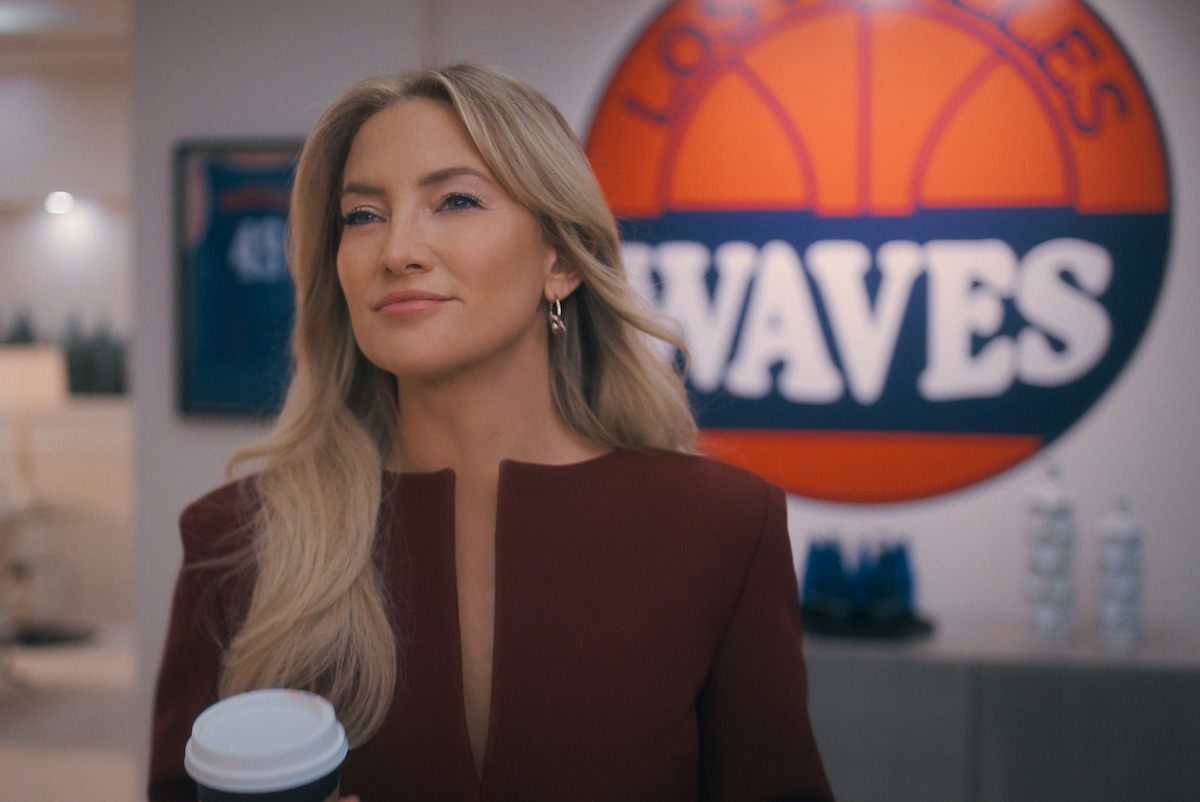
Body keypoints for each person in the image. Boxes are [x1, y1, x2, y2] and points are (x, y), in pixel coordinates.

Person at [149, 63, 834, 801]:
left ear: (562, 259)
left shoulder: (722, 527)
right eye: (363, 216)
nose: (397, 250)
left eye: (454, 201)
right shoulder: (237, 540)